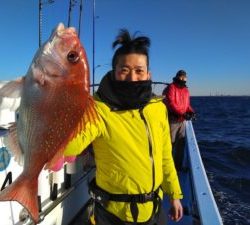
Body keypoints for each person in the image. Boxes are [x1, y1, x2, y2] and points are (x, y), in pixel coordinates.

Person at [64, 29, 183, 225]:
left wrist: (175, 195)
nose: (132, 77)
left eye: (139, 71)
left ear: (148, 74)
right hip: (114, 215)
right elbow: (70, 145)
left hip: (155, 207)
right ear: (114, 72)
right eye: (124, 70)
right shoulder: (98, 109)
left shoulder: (158, 108)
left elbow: (165, 156)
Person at [162, 70, 195, 171]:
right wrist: (183, 113)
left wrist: (191, 111)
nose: (183, 78)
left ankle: (178, 166)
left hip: (182, 121)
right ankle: (167, 167)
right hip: (173, 120)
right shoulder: (172, 87)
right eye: (181, 77)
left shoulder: (185, 90)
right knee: (170, 144)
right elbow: (171, 103)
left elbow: (186, 104)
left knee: (181, 144)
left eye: (185, 77)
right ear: (177, 76)